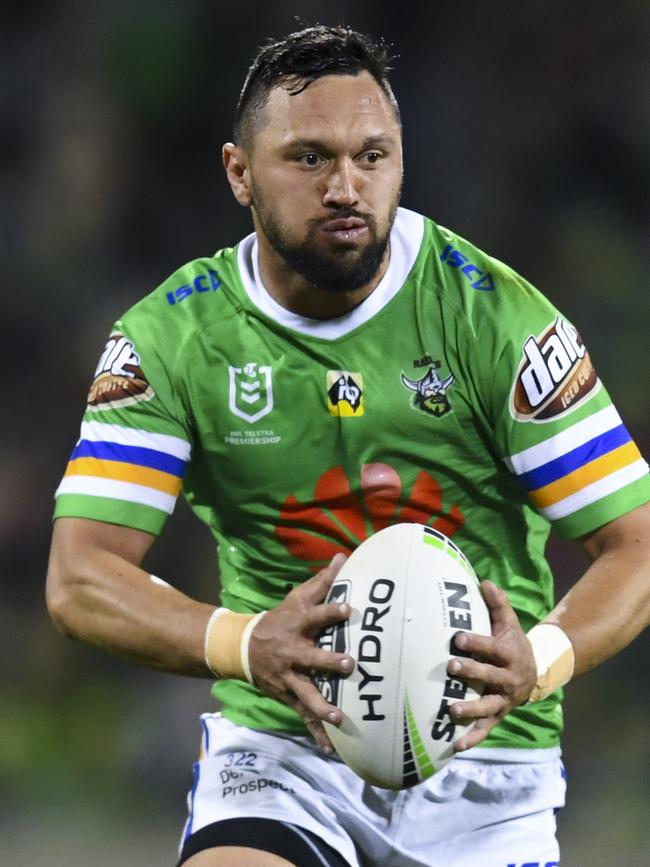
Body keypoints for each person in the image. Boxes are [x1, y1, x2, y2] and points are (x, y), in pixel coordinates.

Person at [46, 24, 650, 867]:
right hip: (284, 754)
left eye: (374, 156)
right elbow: (80, 578)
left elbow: (636, 545)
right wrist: (246, 644)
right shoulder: (171, 340)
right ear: (239, 173)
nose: (346, 186)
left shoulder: (496, 318)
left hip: (485, 767)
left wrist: (539, 658)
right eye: (309, 158)